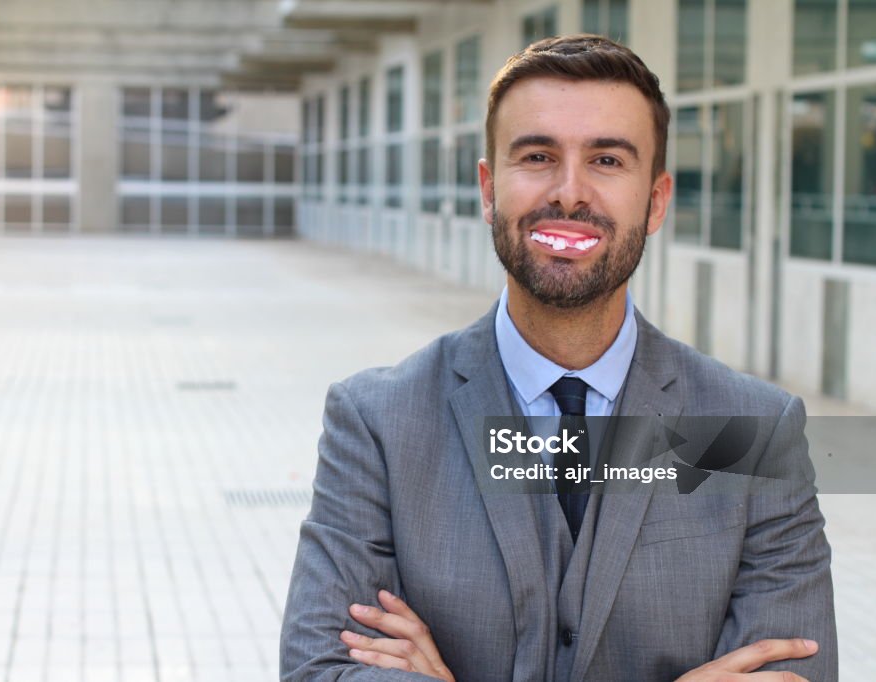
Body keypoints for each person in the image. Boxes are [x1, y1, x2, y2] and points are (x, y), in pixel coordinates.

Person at [280, 35, 836, 681]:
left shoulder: (755, 432)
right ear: (489, 190)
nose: (570, 194)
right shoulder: (377, 422)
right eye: (538, 156)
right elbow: (322, 671)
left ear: (655, 201)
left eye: (606, 159)